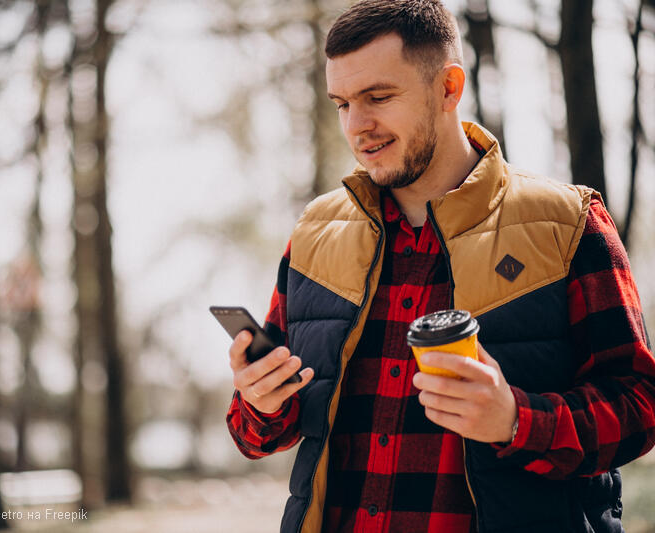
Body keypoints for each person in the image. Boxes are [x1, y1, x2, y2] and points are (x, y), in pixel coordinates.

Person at [225, 1, 655, 532]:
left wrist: (517, 421)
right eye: (341, 104)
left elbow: (639, 406)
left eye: (378, 97)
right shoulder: (315, 235)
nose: (357, 126)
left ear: (449, 88)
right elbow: (259, 434)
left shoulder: (569, 224)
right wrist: (260, 403)